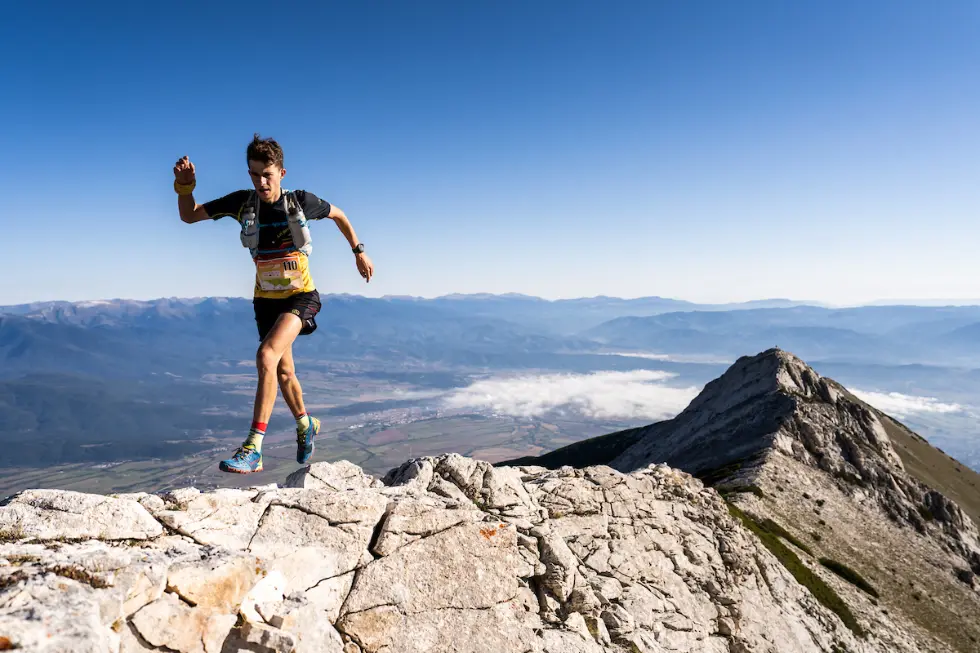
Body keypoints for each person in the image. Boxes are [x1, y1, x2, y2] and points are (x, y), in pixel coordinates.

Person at [173, 134, 374, 474]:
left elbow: (339, 214)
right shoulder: (242, 203)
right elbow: (189, 216)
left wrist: (358, 251)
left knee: (266, 356)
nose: (261, 181)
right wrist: (184, 184)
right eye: (254, 174)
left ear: (281, 172)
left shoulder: (301, 201)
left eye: (267, 174)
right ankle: (306, 423)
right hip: (265, 301)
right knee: (282, 370)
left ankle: (254, 447)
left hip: (301, 297)